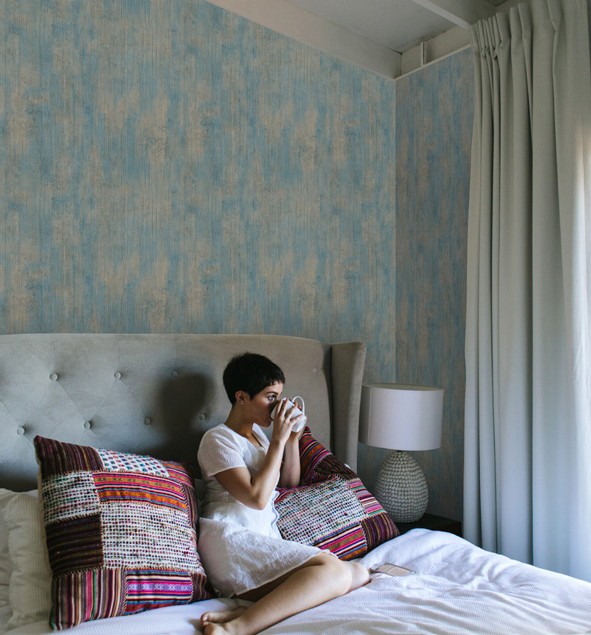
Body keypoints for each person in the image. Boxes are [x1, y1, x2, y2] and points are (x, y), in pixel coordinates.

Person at [196, 352, 369, 635]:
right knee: (335, 571)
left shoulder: (259, 437)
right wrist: (277, 438)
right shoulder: (218, 439)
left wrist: (290, 441)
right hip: (232, 540)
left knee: (358, 573)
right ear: (241, 397)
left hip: (263, 540)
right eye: (270, 397)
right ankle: (236, 628)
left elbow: (287, 483)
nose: (277, 406)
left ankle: (249, 612)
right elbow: (257, 498)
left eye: (278, 397)